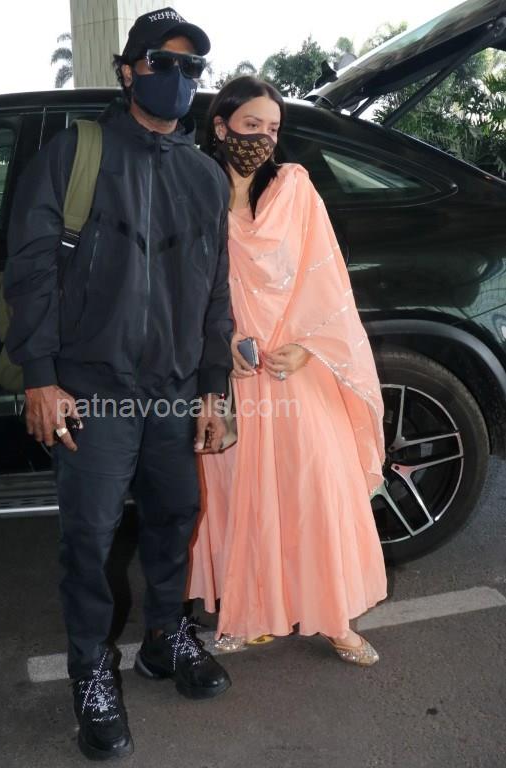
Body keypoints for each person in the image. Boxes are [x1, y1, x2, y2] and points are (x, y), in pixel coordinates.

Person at [3, 8, 233, 761]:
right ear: (128, 71)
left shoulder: (205, 177)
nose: (178, 78)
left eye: (191, 68)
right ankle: (91, 673)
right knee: (90, 537)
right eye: (162, 63)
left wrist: (213, 390)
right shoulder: (75, 154)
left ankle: (166, 638)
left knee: (175, 515)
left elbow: (215, 293)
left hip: (173, 388)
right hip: (90, 387)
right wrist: (41, 378)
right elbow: (31, 274)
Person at [189, 76, 388, 665]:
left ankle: (333, 618)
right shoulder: (193, 190)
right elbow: (179, 286)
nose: (263, 139)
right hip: (230, 376)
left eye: (272, 129)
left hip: (295, 369)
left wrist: (305, 345)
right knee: (238, 496)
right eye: (251, 126)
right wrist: (220, 342)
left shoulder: (295, 188)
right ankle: (247, 610)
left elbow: (325, 280)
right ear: (221, 126)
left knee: (314, 491)